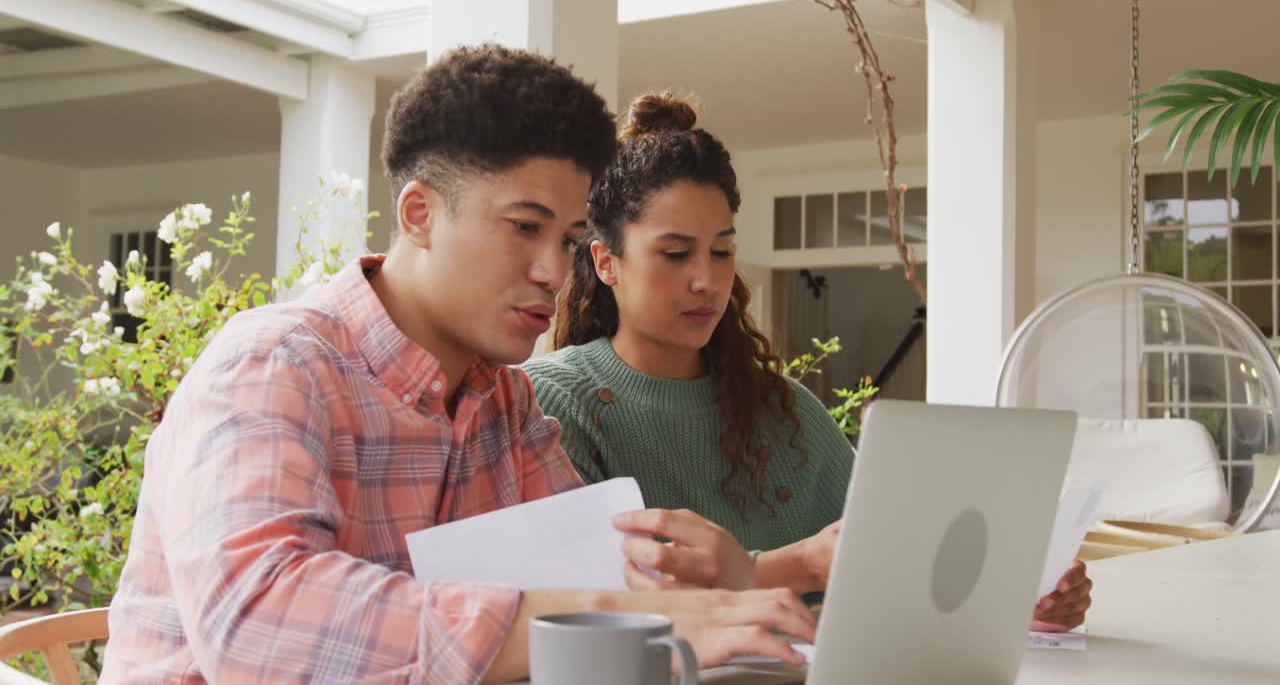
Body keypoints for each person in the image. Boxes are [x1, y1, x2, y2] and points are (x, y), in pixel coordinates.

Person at [100, 48, 818, 684]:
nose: (553, 272)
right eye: (524, 227)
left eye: (569, 240)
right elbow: (258, 626)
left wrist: (725, 590)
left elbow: (604, 572)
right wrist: (616, 614)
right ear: (419, 214)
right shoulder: (272, 366)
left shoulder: (504, 403)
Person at [523, 91, 1092, 632]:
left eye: (721, 251)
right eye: (675, 254)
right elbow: (595, 612)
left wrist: (1015, 603)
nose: (707, 280)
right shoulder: (549, 404)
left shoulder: (783, 409)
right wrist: (798, 567)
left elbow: (890, 569)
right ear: (606, 262)